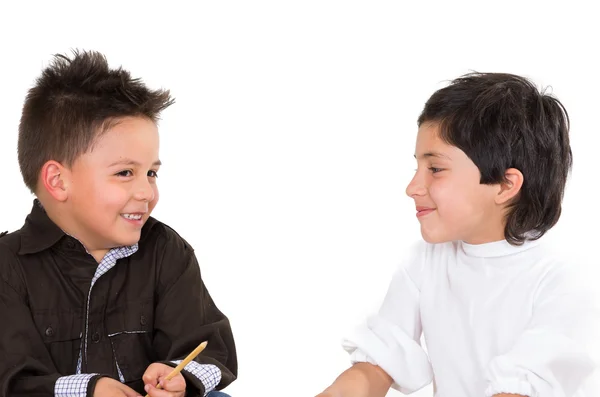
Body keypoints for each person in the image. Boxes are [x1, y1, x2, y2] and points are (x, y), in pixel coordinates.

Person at [316, 73, 599, 396]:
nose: (412, 188)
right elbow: (375, 367)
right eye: (417, 168)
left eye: (435, 169)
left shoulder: (565, 278)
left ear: (506, 185)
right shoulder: (425, 262)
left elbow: (522, 389)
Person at [0, 50, 237, 397]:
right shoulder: (7, 266)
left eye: (151, 173)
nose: (146, 192)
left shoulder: (165, 251)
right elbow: (12, 379)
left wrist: (177, 376)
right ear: (58, 181)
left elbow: (211, 347)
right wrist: (88, 390)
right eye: (125, 173)